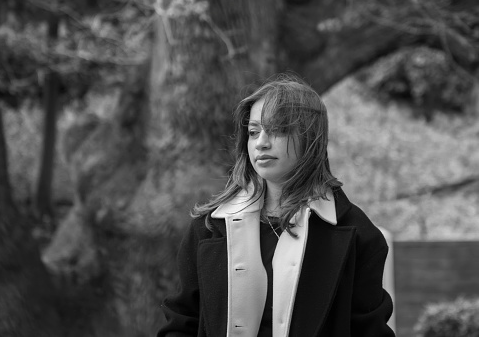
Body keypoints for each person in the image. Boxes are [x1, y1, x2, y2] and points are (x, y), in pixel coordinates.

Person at [157, 75, 395, 337]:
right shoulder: (209, 227)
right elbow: (181, 324)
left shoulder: (359, 235)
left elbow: (370, 331)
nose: (261, 143)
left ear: (310, 137)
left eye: (279, 130)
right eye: (253, 132)